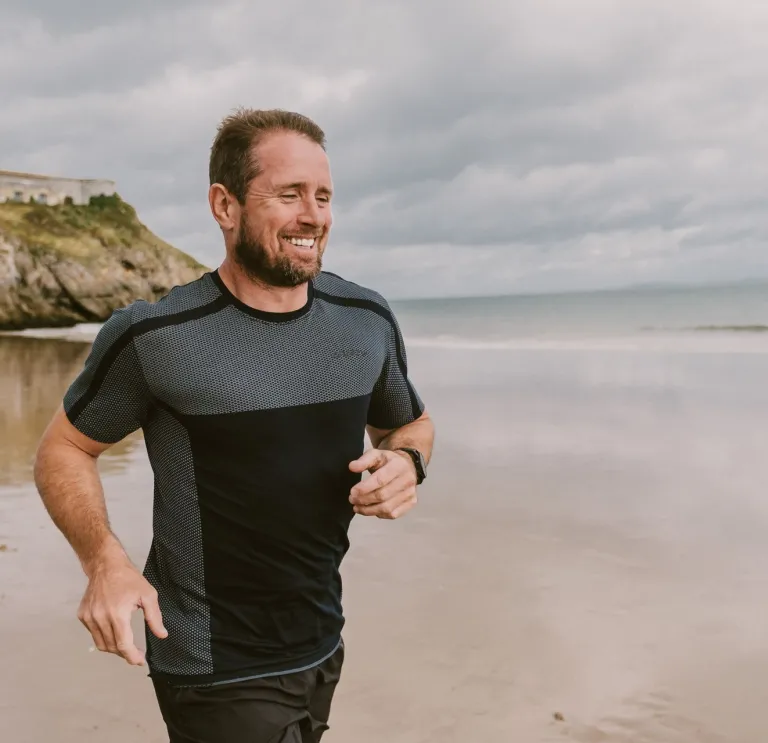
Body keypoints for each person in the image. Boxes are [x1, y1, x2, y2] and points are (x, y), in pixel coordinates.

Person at [33, 108, 434, 742]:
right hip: (212, 662)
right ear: (225, 205)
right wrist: (104, 563)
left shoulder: (364, 320)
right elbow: (63, 449)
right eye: (289, 194)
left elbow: (408, 426)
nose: (314, 215)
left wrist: (406, 464)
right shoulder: (155, 336)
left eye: (323, 196)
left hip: (322, 640)